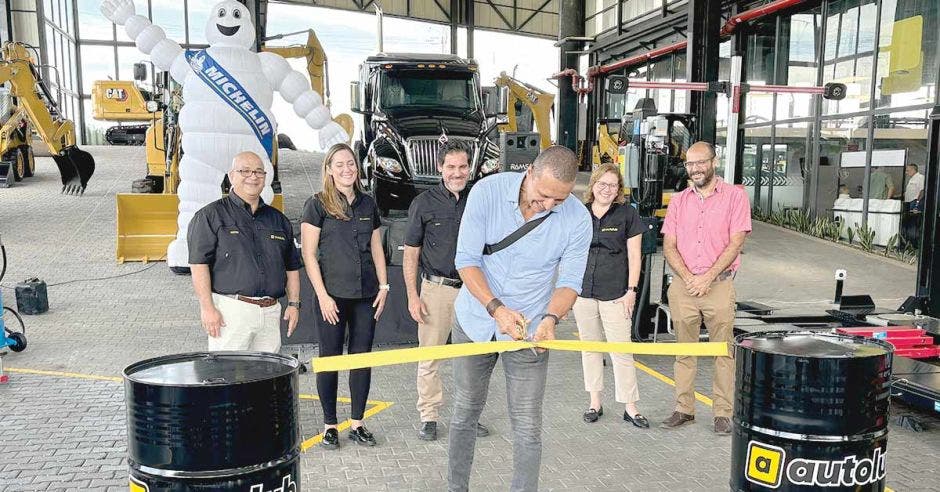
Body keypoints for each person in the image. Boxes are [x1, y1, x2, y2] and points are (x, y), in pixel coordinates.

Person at [448, 145, 592, 492]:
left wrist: (551, 319)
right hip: (476, 320)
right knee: (465, 412)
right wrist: (496, 309)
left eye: (559, 200)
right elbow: (466, 260)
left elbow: (570, 282)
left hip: (530, 331)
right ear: (529, 172)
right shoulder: (487, 192)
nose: (549, 206)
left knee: (527, 426)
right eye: (543, 196)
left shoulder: (577, 218)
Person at [301, 143, 389, 449]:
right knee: (330, 360)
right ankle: (329, 425)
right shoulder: (317, 204)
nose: (346, 169)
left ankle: (358, 423)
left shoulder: (368, 204)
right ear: (328, 169)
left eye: (350, 163)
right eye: (339, 164)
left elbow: (377, 247)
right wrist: (323, 296)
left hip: (365, 296)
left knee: (361, 360)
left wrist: (384, 285)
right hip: (332, 297)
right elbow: (310, 256)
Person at [660, 141, 751, 435]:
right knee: (684, 350)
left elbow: (736, 242)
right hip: (684, 286)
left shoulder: (735, 197)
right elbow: (669, 245)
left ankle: (723, 413)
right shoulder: (679, 201)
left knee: (722, 351)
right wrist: (688, 277)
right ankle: (684, 408)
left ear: (713, 162)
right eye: (690, 164)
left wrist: (708, 277)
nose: (695, 169)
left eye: (701, 162)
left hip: (719, 285)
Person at [403, 141, 490, 441]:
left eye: (463, 166)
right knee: (430, 357)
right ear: (440, 167)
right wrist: (413, 296)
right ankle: (429, 416)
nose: (457, 172)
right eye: (451, 167)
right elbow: (411, 253)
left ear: (470, 167)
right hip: (436, 290)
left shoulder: (479, 199)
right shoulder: (423, 203)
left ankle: (469, 415)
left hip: (474, 291)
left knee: (473, 358)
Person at [188, 151, 301, 352]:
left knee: (266, 379)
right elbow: (198, 265)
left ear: (265, 178)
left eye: (259, 172)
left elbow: (291, 267)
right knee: (227, 377)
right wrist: (207, 309)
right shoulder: (210, 216)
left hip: (270, 313)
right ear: (231, 176)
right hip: (231, 313)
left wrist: (293, 304)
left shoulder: (278, 220)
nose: (253, 176)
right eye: (245, 171)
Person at [574, 163, 649, 429]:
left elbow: (634, 256)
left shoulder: (627, 215)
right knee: (590, 350)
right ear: (593, 185)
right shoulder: (579, 214)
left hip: (616, 293)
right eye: (602, 184)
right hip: (583, 293)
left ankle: (630, 406)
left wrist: (631, 291)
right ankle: (595, 402)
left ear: (619, 190)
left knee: (621, 351)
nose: (607, 189)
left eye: (613, 185)